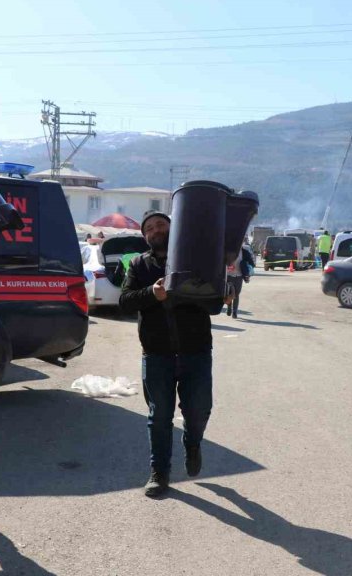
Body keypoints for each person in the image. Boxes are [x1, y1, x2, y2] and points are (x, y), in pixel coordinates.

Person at [119, 210, 229, 498]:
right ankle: (159, 472)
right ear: (145, 236)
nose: (156, 231)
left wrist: (222, 295)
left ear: (173, 228)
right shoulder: (138, 266)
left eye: (161, 225)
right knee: (159, 416)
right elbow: (125, 301)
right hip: (156, 354)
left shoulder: (194, 262)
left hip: (196, 352)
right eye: (150, 228)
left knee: (198, 410)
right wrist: (151, 294)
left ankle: (192, 443)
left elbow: (214, 307)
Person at [225, 245, 254, 319]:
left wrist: (247, 269)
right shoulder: (228, 251)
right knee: (229, 293)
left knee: (236, 294)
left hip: (239, 275)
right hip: (229, 275)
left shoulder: (244, 252)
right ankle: (230, 308)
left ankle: (234, 312)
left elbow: (251, 263)